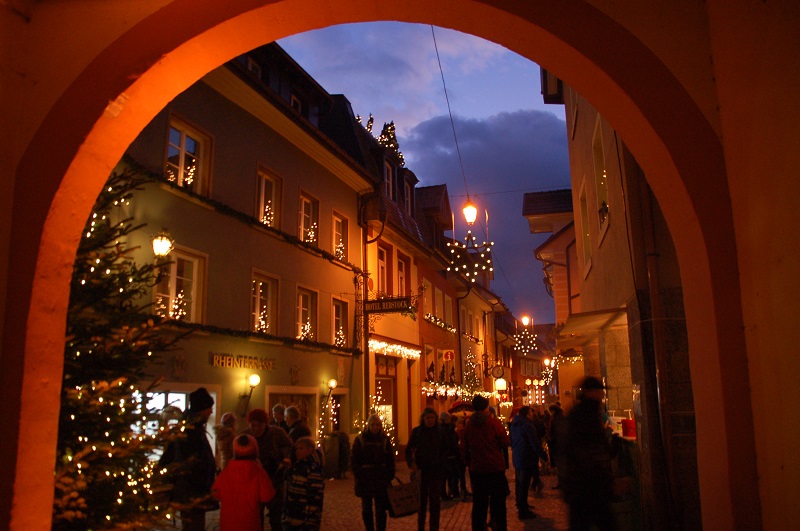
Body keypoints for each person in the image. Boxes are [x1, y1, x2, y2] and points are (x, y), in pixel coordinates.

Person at [158, 387, 217, 531]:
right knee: (194, 525)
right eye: (209, 408)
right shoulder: (190, 430)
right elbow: (192, 461)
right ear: (202, 409)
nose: (211, 411)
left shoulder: (191, 427)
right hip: (192, 491)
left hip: (191, 489)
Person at [563, 376, 617, 531]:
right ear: (590, 392)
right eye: (599, 391)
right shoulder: (586, 415)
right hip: (589, 486)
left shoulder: (582, 412)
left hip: (582, 486)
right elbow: (589, 450)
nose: (601, 395)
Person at [461, 395, 510, 531]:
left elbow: (464, 447)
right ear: (486, 407)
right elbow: (505, 441)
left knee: (479, 503)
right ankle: (498, 526)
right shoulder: (493, 423)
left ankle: (478, 527)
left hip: (477, 469)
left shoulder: (469, 425)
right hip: (495, 467)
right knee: (498, 502)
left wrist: (469, 462)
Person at [242, 408, 294, 530]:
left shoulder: (277, 433)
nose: (256, 429)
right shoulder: (245, 436)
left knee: (276, 516)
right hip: (254, 482)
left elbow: (289, 445)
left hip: (274, 479)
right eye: (253, 425)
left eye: (259, 425)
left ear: (265, 424)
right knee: (256, 516)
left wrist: (284, 458)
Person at [212, 434, 276, 531]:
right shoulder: (258, 472)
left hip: (228, 524)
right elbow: (267, 496)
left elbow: (215, 494)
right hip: (250, 524)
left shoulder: (227, 472)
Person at [406, 407, 450, 531]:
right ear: (423, 419)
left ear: (435, 419)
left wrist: (441, 462)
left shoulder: (440, 432)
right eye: (428, 418)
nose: (430, 420)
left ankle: (434, 527)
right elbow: (408, 449)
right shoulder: (417, 432)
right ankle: (421, 527)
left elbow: (446, 449)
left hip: (436, 471)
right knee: (421, 502)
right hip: (422, 471)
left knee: (435, 502)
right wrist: (411, 463)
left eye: (432, 418)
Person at [351, 414, 395, 531]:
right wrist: (359, 474)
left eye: (377, 425)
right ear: (368, 426)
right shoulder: (360, 440)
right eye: (373, 425)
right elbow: (354, 460)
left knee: (381, 509)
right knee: (366, 508)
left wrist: (389, 475)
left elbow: (390, 459)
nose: (375, 427)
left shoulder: (384, 440)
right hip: (365, 479)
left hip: (381, 479)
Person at [282, 436, 325, 530]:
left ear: (310, 449)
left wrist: (310, 520)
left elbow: (315, 496)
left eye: (301, 449)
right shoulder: (299, 465)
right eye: (297, 449)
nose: (297, 451)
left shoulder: (312, 468)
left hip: (304, 517)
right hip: (295, 513)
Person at [509, 406, 544, 519]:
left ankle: (521, 505)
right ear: (527, 415)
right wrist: (542, 454)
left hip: (518, 457)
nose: (532, 415)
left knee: (519, 484)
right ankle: (523, 511)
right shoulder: (527, 426)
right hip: (526, 458)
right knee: (524, 485)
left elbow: (511, 440)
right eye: (531, 413)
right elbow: (534, 442)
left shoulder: (514, 425)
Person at [438, 412, 461, 500]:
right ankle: (453, 492)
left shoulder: (440, 429)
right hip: (450, 455)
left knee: (444, 476)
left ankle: (444, 493)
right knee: (453, 474)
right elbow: (453, 441)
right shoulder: (449, 429)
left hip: (444, 456)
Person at [453, 415, 471, 500]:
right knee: (459, 474)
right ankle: (461, 490)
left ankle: (461, 490)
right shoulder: (459, 432)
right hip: (459, 455)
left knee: (460, 474)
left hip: (460, 455)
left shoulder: (459, 431)